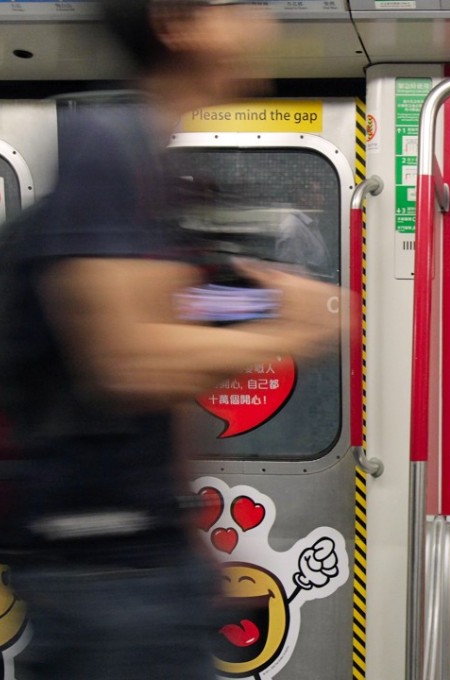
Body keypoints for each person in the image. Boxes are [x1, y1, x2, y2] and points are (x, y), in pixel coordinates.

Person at [0, 1, 340, 678]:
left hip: (147, 559)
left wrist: (186, 532)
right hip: (104, 574)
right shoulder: (108, 143)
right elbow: (126, 362)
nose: (261, 22)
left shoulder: (156, 168)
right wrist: (291, 326)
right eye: (237, 6)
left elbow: (167, 354)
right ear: (175, 24)